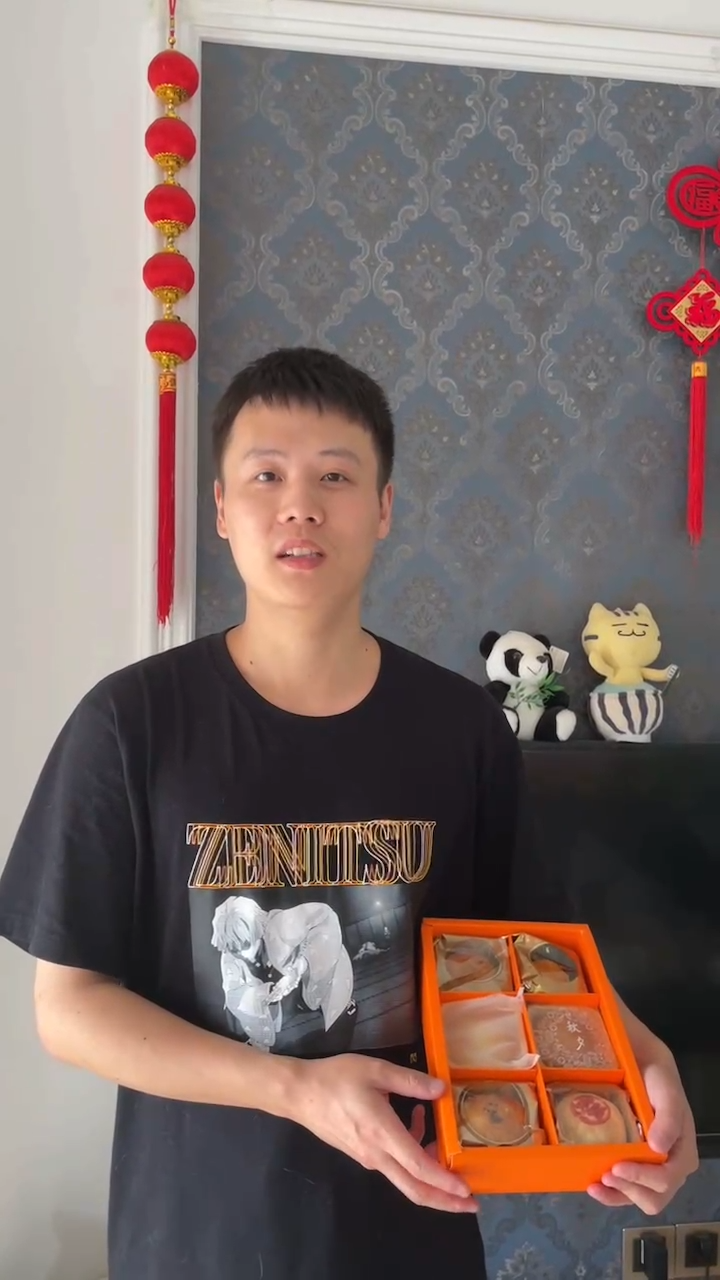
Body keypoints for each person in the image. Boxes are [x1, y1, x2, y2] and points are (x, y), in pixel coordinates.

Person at [0, 348, 698, 1280]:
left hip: (409, 1233)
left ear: (383, 509)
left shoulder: (460, 726)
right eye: (267, 476)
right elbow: (69, 1009)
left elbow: (537, 959)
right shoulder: (129, 723)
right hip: (197, 1239)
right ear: (221, 509)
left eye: (335, 476)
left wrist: (648, 1061)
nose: (300, 505)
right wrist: (294, 1089)